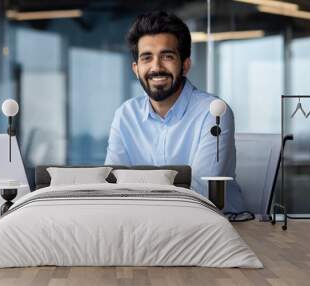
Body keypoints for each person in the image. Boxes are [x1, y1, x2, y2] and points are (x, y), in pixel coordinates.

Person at [104, 11, 245, 213]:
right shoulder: (125, 115)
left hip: (217, 227)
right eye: (147, 58)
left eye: (167, 56)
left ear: (185, 65)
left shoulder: (214, 113)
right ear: (136, 69)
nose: (156, 67)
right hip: (147, 225)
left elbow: (201, 193)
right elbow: (113, 184)